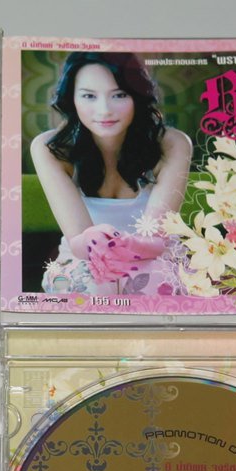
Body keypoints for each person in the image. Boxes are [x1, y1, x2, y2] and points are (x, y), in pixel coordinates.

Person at [30, 52, 192, 296]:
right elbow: (79, 241)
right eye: (89, 96)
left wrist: (120, 243)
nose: (104, 110)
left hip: (155, 256)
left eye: (119, 95)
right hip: (84, 256)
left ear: (137, 96)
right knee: (89, 283)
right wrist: (96, 240)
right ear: (72, 98)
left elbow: (155, 239)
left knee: (152, 283)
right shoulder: (50, 148)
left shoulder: (172, 144)